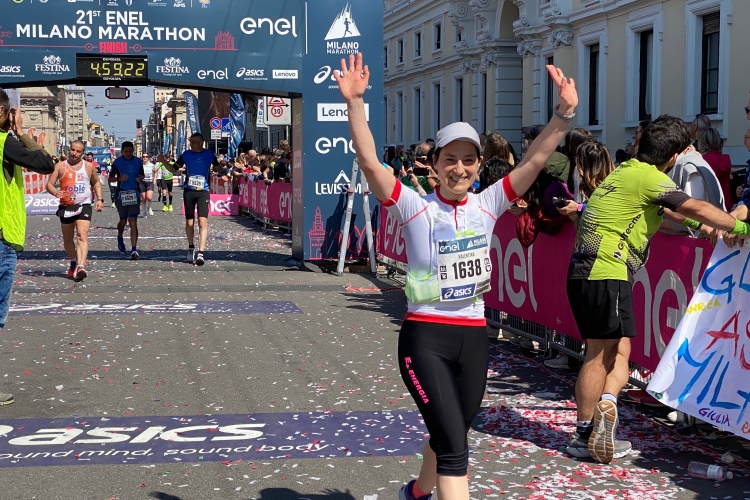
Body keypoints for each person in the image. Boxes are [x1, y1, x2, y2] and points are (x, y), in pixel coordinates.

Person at [336, 52, 578, 500]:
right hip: (425, 338)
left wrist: (562, 115)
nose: (459, 168)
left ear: (479, 165)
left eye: (468, 160)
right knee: (455, 451)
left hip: (473, 338)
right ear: (434, 164)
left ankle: (416, 493)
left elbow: (533, 163)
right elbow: (369, 162)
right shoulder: (414, 206)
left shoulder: (488, 205)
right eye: (450, 159)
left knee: (451, 434)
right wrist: (354, 103)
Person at [565, 115, 750, 465]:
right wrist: (742, 227)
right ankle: (588, 431)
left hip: (582, 269)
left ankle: (603, 409)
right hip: (607, 271)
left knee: (618, 350)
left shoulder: (625, 171)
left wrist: (700, 227)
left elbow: (667, 211)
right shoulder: (651, 177)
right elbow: (695, 206)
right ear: (676, 155)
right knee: (601, 355)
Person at [0, 90, 56, 407]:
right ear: (4, 112)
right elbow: (46, 163)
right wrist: (20, 133)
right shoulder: (5, 143)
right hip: (2, 236)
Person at [157, 133, 221, 266]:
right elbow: (173, 169)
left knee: (203, 222)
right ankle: (191, 247)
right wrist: (163, 161)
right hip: (189, 191)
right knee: (190, 223)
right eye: (190, 142)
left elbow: (218, 167)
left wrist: (225, 171)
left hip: (203, 191)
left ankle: (201, 252)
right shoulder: (186, 154)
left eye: (193, 142)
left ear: (201, 143)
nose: (191, 145)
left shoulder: (209, 154)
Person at [45, 141, 104, 281]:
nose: (74, 153)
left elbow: (96, 182)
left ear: (82, 153)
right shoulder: (60, 166)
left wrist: (100, 199)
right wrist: (56, 192)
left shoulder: (88, 166)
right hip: (66, 206)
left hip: (84, 204)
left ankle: (81, 267)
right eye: (72, 150)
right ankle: (73, 261)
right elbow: (49, 185)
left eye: (78, 151)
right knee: (67, 240)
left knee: (82, 235)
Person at [110, 142, 144, 259]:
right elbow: (110, 178)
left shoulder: (138, 161)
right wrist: (119, 178)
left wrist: (140, 179)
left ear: (133, 151)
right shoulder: (117, 162)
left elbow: (142, 175)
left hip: (134, 193)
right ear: (122, 151)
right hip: (121, 195)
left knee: (133, 220)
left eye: (130, 151)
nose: (128, 153)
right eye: (126, 151)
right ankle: (120, 235)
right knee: (123, 221)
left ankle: (134, 249)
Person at [698, 127, 733, 211]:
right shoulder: (725, 159)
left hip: (710, 206)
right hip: (726, 204)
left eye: (698, 140)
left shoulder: (703, 160)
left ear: (703, 142)